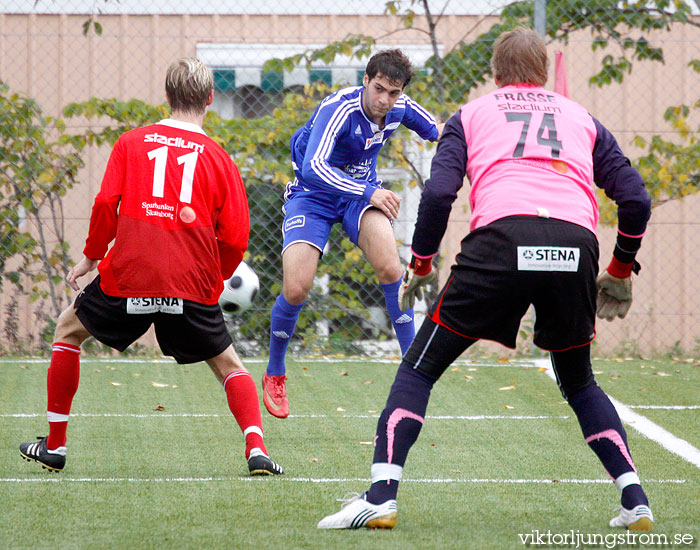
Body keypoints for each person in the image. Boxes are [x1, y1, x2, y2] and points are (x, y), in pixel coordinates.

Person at [317, 27, 653, 530]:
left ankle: (381, 496)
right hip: (574, 247)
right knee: (579, 380)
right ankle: (635, 501)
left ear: (495, 75)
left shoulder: (472, 115)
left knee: (418, 369)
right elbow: (636, 200)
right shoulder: (582, 117)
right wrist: (621, 269)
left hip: (502, 243)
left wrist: (423, 263)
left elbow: (437, 195)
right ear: (543, 74)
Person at [19, 57, 283, 476]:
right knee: (229, 365)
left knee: (68, 330)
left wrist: (91, 255)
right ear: (210, 99)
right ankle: (256, 450)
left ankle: (55, 447)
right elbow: (235, 237)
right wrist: (214, 281)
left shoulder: (131, 142)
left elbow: (107, 204)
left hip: (128, 278)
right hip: (189, 284)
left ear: (167, 96)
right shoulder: (219, 158)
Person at [262, 49, 441, 418]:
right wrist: (368, 191)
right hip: (313, 195)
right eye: (378, 89)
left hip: (358, 196)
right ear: (366, 80)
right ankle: (275, 370)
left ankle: (411, 374)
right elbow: (312, 167)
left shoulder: (399, 106)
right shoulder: (339, 108)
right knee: (297, 288)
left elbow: (442, 132)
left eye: (393, 93)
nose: (384, 100)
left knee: (392, 269)